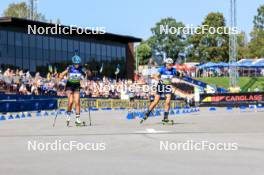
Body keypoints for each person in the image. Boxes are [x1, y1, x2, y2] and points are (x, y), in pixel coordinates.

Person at [140, 58, 177, 124]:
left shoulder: (173, 70)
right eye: (169, 64)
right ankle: (147, 113)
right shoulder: (162, 69)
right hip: (161, 85)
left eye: (171, 64)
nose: (170, 66)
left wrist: (181, 74)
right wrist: (159, 80)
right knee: (156, 101)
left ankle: (165, 118)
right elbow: (155, 76)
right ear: (166, 64)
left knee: (168, 101)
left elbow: (179, 74)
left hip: (167, 86)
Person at [59, 54, 87, 126]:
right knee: (71, 101)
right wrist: (62, 76)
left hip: (76, 86)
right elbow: (61, 74)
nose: (77, 65)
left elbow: (86, 75)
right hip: (69, 86)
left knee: (77, 102)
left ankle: (77, 120)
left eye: (78, 63)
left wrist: (85, 77)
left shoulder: (81, 68)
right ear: (73, 63)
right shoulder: (70, 68)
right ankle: (68, 115)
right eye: (76, 64)